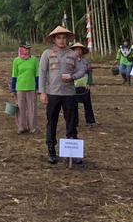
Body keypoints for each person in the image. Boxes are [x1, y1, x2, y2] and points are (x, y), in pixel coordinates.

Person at [38, 25, 88, 164]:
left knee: (71, 123)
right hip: (52, 93)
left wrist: (73, 77)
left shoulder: (72, 54)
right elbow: (42, 73)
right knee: (51, 122)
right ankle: (51, 151)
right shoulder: (47, 54)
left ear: (67, 39)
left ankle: (72, 153)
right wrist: (42, 92)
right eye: (59, 38)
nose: (62, 41)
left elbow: (82, 70)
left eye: (64, 38)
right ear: (54, 39)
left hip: (69, 94)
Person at [10, 41, 39, 134]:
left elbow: (37, 74)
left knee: (32, 108)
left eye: (28, 49)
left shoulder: (34, 60)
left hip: (31, 87)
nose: (27, 50)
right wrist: (13, 89)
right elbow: (14, 75)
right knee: (20, 108)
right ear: (21, 49)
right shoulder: (16, 60)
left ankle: (32, 127)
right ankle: (21, 127)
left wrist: (38, 88)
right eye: (25, 48)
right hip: (20, 87)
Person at [72, 41, 97, 126]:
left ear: (82, 51)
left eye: (80, 50)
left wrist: (89, 83)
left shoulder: (86, 61)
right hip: (74, 86)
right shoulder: (70, 61)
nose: (78, 51)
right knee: (73, 105)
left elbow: (90, 72)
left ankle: (90, 121)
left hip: (84, 85)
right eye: (76, 50)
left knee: (87, 104)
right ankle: (74, 122)